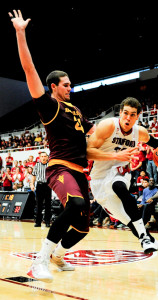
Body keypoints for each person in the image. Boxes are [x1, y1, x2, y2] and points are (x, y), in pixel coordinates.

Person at [9, 10, 94, 283]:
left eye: (71, 84)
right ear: (54, 86)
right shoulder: (49, 106)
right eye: (66, 85)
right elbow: (29, 69)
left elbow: (97, 136)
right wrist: (21, 34)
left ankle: (58, 256)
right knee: (75, 203)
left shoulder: (77, 110)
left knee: (83, 227)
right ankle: (39, 262)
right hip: (59, 167)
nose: (71, 88)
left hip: (80, 171)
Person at [87, 96, 158, 271]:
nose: (128, 118)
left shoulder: (139, 132)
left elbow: (156, 143)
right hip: (98, 180)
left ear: (138, 116)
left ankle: (143, 237)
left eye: (132, 115)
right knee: (132, 224)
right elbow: (88, 152)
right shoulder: (108, 126)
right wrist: (115, 156)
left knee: (119, 184)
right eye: (125, 113)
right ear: (120, 113)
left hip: (120, 172)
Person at [30, 152, 52, 227]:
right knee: (39, 204)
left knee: (48, 204)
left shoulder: (50, 165)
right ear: (39, 157)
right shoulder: (37, 165)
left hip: (48, 186)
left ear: (47, 157)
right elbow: (33, 176)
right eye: (42, 156)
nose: (43, 157)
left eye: (44, 156)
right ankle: (38, 222)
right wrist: (32, 184)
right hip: (39, 185)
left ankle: (47, 221)